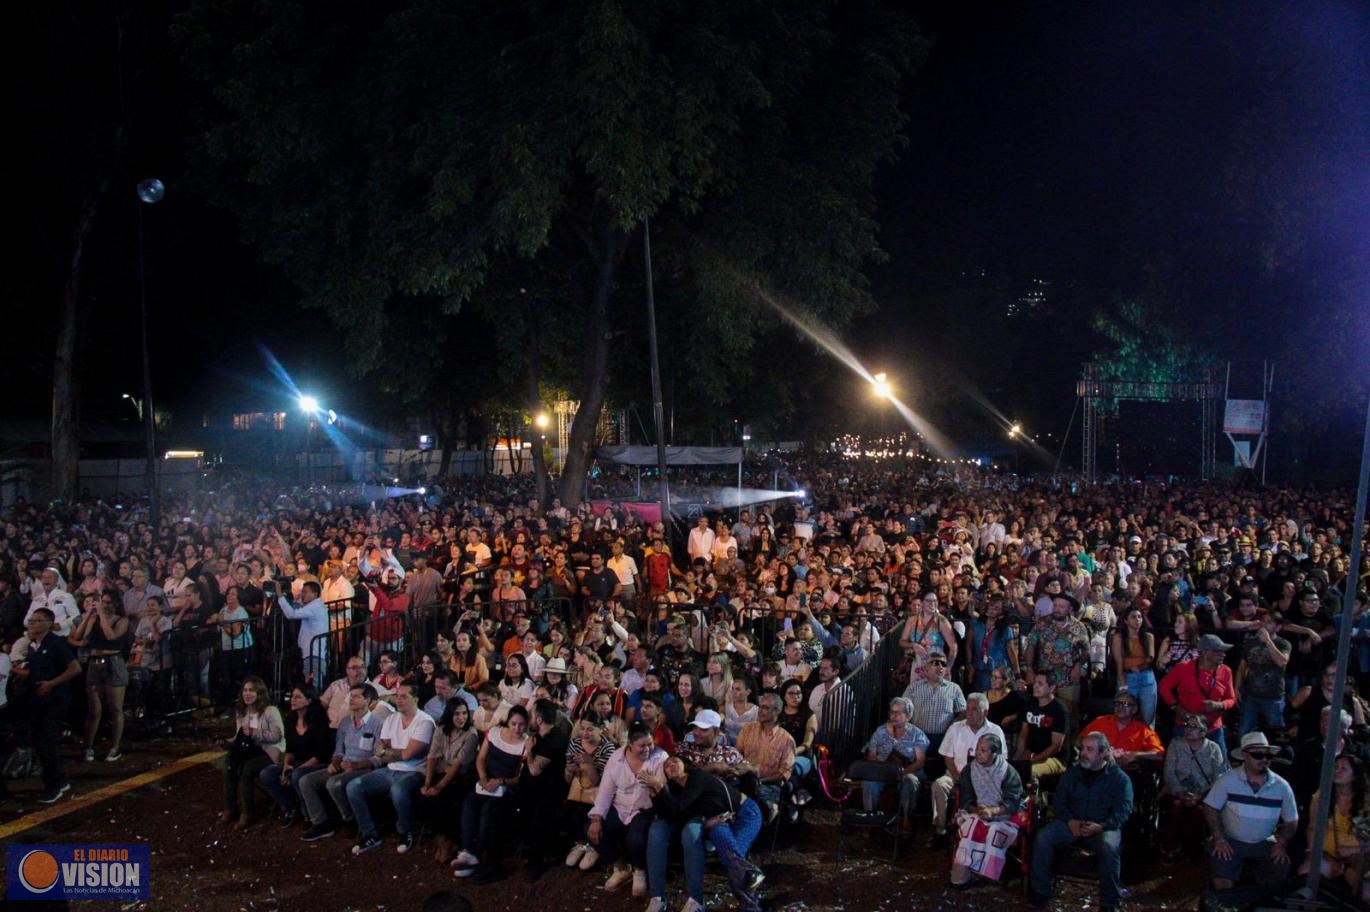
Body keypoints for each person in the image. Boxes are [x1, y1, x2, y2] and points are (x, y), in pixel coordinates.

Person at [642, 756, 765, 912]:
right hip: (721, 820)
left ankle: (750, 902)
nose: (671, 765)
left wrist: (659, 787)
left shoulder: (697, 778)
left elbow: (679, 807)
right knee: (726, 849)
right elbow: (673, 815)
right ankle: (751, 878)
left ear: (684, 765)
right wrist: (656, 796)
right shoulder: (677, 789)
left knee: (734, 855)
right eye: (666, 766)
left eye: (675, 761)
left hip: (744, 812)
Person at [1029, 732, 1134, 911]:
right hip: (1072, 823)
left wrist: (1101, 826)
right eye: (1083, 749)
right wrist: (1070, 822)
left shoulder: (1119, 778)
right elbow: (1060, 802)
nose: (1083, 753)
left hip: (1102, 826)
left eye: (1089, 750)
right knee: (1043, 837)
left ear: (1103, 753)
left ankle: (1109, 903)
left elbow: (1124, 811)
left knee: (1109, 847)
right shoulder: (1072, 773)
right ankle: (1040, 893)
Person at [345, 681, 434, 855]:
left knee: (398, 790)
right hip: (390, 768)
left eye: (404, 696)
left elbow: (409, 755)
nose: (399, 700)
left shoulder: (425, 721)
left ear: (415, 699)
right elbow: (380, 751)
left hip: (414, 771)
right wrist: (391, 752)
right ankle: (369, 833)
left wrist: (388, 751)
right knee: (353, 786)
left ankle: (404, 831)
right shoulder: (391, 719)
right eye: (397, 696)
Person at [1203, 732, 1298, 890]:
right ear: (1245, 755)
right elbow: (1210, 807)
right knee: (1221, 873)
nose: (1264, 760)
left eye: (1268, 755)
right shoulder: (1227, 780)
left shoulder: (1282, 786)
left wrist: (1281, 843)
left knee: (1279, 869)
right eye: (1258, 755)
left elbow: (1292, 820)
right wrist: (1219, 838)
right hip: (1231, 841)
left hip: (1266, 842)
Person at [297, 682, 388, 841]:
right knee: (306, 781)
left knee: (334, 783)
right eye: (350, 696)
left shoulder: (377, 724)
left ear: (367, 700)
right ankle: (321, 822)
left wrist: (356, 765)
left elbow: (378, 758)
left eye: (356, 696)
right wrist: (335, 763)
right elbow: (339, 751)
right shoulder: (345, 722)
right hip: (344, 765)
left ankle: (350, 819)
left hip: (363, 768)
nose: (351, 700)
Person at [451, 704, 532, 883]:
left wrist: (501, 781)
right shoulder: (495, 733)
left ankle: (479, 853)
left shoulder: (525, 743)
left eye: (521, 725)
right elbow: (481, 758)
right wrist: (483, 777)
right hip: (487, 781)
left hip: (506, 787)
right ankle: (467, 850)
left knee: (489, 810)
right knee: (470, 803)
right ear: (508, 722)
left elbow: (520, 776)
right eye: (514, 724)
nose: (517, 728)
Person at [586, 723, 668, 896]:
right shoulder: (616, 758)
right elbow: (605, 791)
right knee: (592, 830)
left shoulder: (660, 757)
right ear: (630, 744)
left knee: (635, 839)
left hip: (645, 809)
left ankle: (640, 871)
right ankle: (620, 867)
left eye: (650, 744)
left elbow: (662, 790)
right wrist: (597, 818)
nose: (647, 749)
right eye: (642, 746)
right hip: (620, 806)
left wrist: (655, 784)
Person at [14, 608, 81, 802]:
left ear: (48, 624)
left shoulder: (56, 644)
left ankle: (54, 785)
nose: (32, 624)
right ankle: (58, 779)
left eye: (37, 621)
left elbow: (74, 668)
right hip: (38, 700)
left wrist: (52, 683)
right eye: (31, 621)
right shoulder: (33, 645)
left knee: (47, 742)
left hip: (55, 699)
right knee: (39, 741)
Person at [950, 732, 1025, 887]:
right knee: (970, 830)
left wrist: (993, 811)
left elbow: (1013, 801)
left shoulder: (1008, 772)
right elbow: (965, 797)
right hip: (977, 812)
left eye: (983, 750)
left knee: (993, 832)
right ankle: (963, 876)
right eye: (977, 748)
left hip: (1003, 815)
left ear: (994, 753)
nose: (978, 752)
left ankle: (989, 875)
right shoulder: (969, 770)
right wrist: (977, 810)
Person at [932, 692, 1007, 846]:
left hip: (985, 780)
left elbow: (1001, 761)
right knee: (939, 786)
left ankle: (975, 836)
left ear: (985, 712)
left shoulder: (995, 731)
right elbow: (948, 756)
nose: (969, 713)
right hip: (955, 775)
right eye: (968, 708)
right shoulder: (956, 728)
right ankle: (940, 831)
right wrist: (956, 776)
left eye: (974, 709)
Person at [69, 591, 131, 763]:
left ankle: (114, 747)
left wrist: (102, 616)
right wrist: (89, 614)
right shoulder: (94, 619)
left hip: (113, 662)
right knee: (94, 710)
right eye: (103, 602)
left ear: (116, 604)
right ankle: (88, 746)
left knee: (115, 708)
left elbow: (111, 635)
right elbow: (79, 636)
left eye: (109, 602)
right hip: (95, 663)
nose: (105, 605)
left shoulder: (121, 620)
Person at [259, 685, 333, 826]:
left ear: (309, 701)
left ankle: (308, 813)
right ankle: (288, 807)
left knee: (297, 775)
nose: (293, 700)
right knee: (267, 773)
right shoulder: (290, 719)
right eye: (292, 696)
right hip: (297, 761)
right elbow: (290, 749)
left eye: (298, 697)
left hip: (317, 762)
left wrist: (295, 770)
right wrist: (286, 765)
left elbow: (322, 753)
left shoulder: (319, 721)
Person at [1299, 753, 1368, 900]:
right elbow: (1313, 826)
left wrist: (1352, 850)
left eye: (1343, 768)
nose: (1337, 771)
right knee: (1306, 874)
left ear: (1355, 775)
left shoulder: (1366, 801)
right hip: (1327, 853)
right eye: (1335, 767)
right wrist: (1313, 851)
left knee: (1364, 888)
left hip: (1358, 857)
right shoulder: (1322, 795)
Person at [1159, 633, 1237, 763]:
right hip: (1186, 727)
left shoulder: (1226, 671)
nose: (1223, 654)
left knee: (1220, 765)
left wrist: (1219, 705)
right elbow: (1163, 687)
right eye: (1219, 651)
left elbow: (1231, 699)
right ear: (1206, 653)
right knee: (1182, 765)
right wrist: (1175, 706)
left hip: (1213, 728)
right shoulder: (1183, 668)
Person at [418, 699, 480, 863]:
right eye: (457, 714)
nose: (461, 718)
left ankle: (449, 840)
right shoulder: (441, 730)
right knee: (423, 797)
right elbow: (433, 756)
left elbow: (458, 765)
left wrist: (438, 786)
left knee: (444, 798)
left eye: (464, 713)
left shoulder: (471, 734)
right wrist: (427, 783)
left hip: (461, 777)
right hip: (442, 771)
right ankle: (440, 837)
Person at [1160, 710, 1227, 861]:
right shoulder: (1176, 744)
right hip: (1177, 791)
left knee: (1199, 811)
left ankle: (1193, 849)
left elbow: (1219, 777)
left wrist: (1200, 795)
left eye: (1193, 726)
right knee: (1176, 808)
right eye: (1187, 726)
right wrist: (1181, 793)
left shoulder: (1213, 748)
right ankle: (1171, 847)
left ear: (1203, 731)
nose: (1188, 729)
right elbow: (1169, 772)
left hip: (1204, 793)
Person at [222, 675, 285, 829]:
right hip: (250, 751)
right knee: (228, 764)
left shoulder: (271, 711)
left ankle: (246, 813)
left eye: (251, 690)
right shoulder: (242, 712)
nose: (247, 693)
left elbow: (277, 736)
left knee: (246, 769)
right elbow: (240, 736)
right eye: (245, 690)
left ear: (260, 693)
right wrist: (226, 742)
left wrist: (254, 732)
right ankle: (230, 808)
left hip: (270, 751)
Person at [563, 710, 620, 872]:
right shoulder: (575, 744)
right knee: (569, 808)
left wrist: (589, 764)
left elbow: (601, 784)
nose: (585, 733)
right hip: (577, 792)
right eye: (583, 729)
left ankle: (594, 847)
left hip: (598, 795)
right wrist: (568, 770)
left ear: (601, 729)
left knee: (588, 810)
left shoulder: (608, 749)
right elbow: (567, 780)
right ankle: (580, 844)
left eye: (590, 729)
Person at [861, 696, 929, 828]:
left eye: (898, 713)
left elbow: (920, 761)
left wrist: (903, 771)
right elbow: (872, 756)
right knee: (869, 782)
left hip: (907, 771)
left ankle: (905, 818)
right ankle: (871, 818)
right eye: (892, 712)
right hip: (883, 771)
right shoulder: (880, 732)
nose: (893, 716)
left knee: (910, 781)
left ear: (908, 716)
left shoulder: (917, 734)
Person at [522, 699, 571, 880]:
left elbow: (535, 770)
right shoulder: (544, 737)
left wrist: (529, 752)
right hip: (537, 792)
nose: (530, 719)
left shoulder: (553, 740)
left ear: (540, 719)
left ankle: (535, 864)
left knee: (538, 823)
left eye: (532, 715)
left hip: (548, 794)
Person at [735, 692, 797, 818]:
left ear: (777, 711)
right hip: (743, 780)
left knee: (756, 807)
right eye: (760, 706)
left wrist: (760, 781)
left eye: (766, 708)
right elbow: (736, 755)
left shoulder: (786, 740)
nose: (760, 711)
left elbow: (784, 773)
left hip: (768, 786)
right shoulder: (748, 729)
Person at [1236, 608, 1292, 737]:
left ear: (1278, 627)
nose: (1264, 625)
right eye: (1263, 621)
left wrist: (1268, 641)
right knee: (1244, 731)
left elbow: (1282, 662)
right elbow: (1243, 665)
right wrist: (1237, 686)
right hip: (1251, 695)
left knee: (1277, 732)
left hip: (1273, 697)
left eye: (1269, 622)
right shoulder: (1250, 641)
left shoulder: (1283, 644)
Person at [1081, 690, 1165, 770]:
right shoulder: (1100, 721)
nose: (1120, 707)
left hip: (1127, 775)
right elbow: (1079, 740)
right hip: (1096, 769)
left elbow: (1159, 755)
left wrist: (1136, 755)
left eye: (1125, 704)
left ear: (1134, 709)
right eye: (1117, 703)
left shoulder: (1143, 731)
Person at [275, 580, 330, 685]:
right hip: (311, 654)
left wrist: (280, 595)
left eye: (305, 592)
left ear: (314, 594)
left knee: (313, 686)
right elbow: (297, 608)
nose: (302, 594)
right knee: (310, 685)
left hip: (314, 655)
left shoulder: (315, 607)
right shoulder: (314, 606)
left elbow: (291, 614)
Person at [1015, 675, 1069, 780]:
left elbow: (1056, 746)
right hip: (1032, 753)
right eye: (1035, 683)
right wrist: (1017, 757)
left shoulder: (1059, 710)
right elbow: (1023, 736)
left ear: (1052, 688)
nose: (1035, 686)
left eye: (1040, 684)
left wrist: (1033, 760)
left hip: (1055, 759)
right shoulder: (1030, 706)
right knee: (1011, 768)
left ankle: (1035, 796)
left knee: (1030, 772)